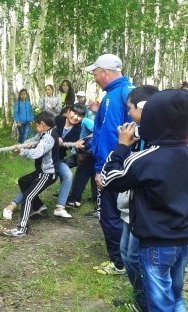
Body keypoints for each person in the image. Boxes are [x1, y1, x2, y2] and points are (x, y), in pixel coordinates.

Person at [101, 90, 188, 312]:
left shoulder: (144, 159)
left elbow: (109, 180)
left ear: (153, 120)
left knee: (159, 304)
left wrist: (121, 146)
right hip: (183, 238)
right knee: (175, 297)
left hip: (156, 243)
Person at [110, 85, 159, 312]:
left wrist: (121, 148)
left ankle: (149, 304)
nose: (128, 114)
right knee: (128, 256)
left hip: (148, 213)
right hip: (132, 207)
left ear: (144, 108)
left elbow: (114, 178)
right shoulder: (142, 133)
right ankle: (141, 302)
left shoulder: (160, 140)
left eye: (130, 108)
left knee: (139, 260)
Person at [85, 53, 134, 275]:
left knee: (110, 215)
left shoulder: (113, 97)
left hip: (114, 167)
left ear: (105, 72)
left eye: (95, 73)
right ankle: (128, 258)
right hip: (131, 166)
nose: (95, 77)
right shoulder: (130, 91)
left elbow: (110, 136)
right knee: (126, 214)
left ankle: (119, 263)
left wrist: (101, 170)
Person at [2, 112, 59, 237]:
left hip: (47, 174)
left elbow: (37, 153)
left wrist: (22, 151)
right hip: (41, 172)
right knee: (23, 181)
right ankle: (39, 207)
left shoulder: (49, 138)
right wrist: (24, 144)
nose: (35, 127)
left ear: (43, 124)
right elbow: (34, 140)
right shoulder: (44, 133)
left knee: (28, 197)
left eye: (37, 125)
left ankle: (22, 229)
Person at [53, 104, 87, 218]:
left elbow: (69, 145)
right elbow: (46, 134)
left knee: (68, 175)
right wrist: (56, 138)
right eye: (74, 113)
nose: (76, 117)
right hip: (46, 158)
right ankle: (13, 204)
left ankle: (60, 207)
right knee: (39, 180)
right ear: (68, 112)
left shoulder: (78, 128)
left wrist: (71, 144)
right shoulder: (58, 120)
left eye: (80, 116)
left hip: (58, 158)